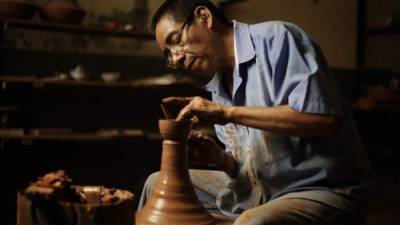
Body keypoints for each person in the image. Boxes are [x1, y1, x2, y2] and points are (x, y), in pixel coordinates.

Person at [138, 1, 372, 224]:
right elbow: (248, 172)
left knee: (252, 221)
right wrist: (219, 159)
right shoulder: (218, 87)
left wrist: (225, 112)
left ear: (204, 17)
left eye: (176, 40)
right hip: (262, 190)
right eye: (168, 54)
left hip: (322, 191)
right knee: (155, 183)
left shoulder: (278, 39)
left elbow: (324, 119)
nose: (177, 58)